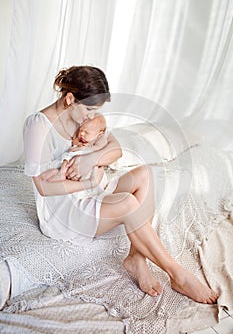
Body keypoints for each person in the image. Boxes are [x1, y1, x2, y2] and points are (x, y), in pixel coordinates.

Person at [23, 65, 218, 304]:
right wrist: (89, 182)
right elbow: (44, 188)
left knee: (145, 173)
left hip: (93, 190)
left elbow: (115, 150)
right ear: (70, 99)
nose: (92, 116)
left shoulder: (85, 118)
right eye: (89, 109)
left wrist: (92, 159)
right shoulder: (38, 126)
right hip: (64, 211)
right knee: (128, 202)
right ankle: (177, 274)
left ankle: (137, 259)